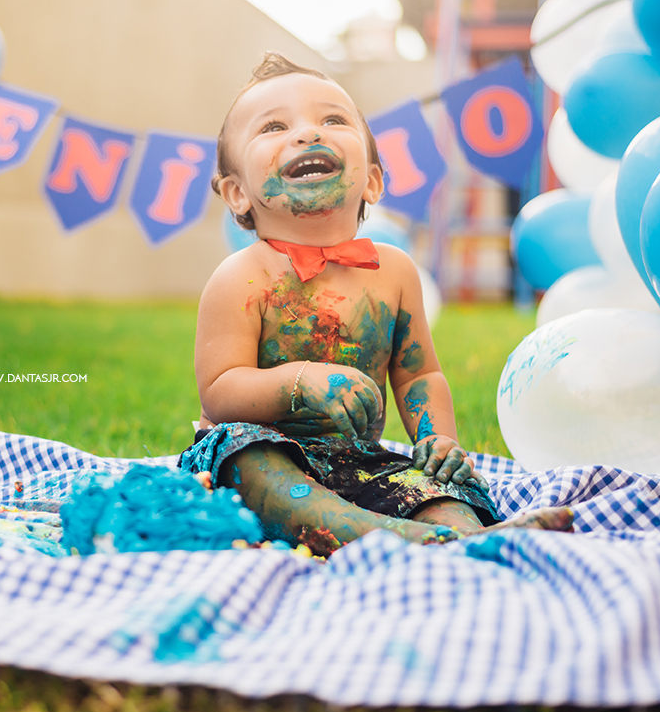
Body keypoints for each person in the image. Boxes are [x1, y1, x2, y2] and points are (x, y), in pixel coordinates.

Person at [179, 52, 572, 555]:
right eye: (274, 126)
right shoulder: (241, 277)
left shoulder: (394, 272)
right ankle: (400, 540)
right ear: (236, 194)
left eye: (333, 120)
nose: (307, 134)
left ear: (372, 180)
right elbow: (219, 390)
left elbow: (418, 375)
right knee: (246, 459)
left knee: (438, 483)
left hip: (360, 458)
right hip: (266, 456)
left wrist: (437, 440)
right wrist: (301, 381)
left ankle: (468, 536)